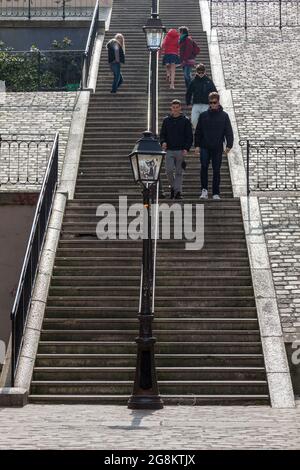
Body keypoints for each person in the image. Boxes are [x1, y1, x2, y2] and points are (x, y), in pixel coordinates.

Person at [194, 92, 233, 200]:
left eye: (214, 102)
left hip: (217, 147)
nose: (213, 104)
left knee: (216, 170)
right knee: (204, 167)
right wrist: (197, 145)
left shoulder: (224, 116)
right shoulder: (203, 116)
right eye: (211, 103)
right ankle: (204, 190)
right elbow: (198, 131)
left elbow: (228, 131)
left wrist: (229, 145)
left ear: (218, 102)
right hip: (205, 146)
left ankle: (216, 192)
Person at [160, 99, 193, 200]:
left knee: (179, 172)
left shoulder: (186, 120)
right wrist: (163, 142)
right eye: (173, 108)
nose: (175, 109)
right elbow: (162, 135)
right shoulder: (166, 120)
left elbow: (189, 136)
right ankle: (174, 188)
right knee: (169, 171)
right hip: (169, 150)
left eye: (177, 107)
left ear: (180, 108)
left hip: (180, 150)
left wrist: (186, 148)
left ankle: (177, 192)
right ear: (171, 108)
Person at [186, 63, 217, 129]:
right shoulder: (193, 81)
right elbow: (189, 92)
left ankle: (204, 134)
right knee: (194, 120)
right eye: (199, 72)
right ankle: (198, 132)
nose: (200, 74)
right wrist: (188, 102)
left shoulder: (209, 81)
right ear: (196, 72)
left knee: (206, 121)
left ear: (205, 71)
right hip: (196, 104)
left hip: (206, 104)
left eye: (202, 72)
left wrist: (215, 103)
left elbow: (215, 93)